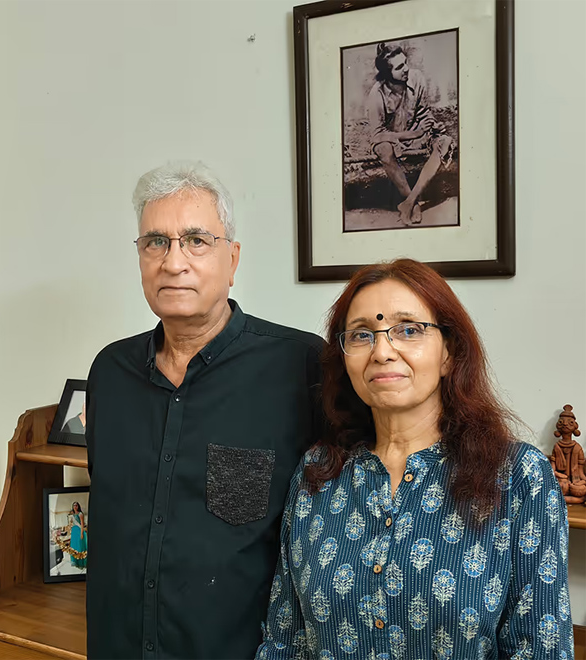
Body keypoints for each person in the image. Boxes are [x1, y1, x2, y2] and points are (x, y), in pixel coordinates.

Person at [257, 258, 574, 659]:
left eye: (409, 330)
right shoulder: (318, 472)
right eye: (361, 335)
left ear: (448, 353)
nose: (382, 351)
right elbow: (285, 640)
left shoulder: (518, 477)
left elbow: (541, 649)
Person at [86, 162, 325, 659]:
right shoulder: (109, 373)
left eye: (196, 240)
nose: (174, 261)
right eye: (155, 242)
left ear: (232, 260)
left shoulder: (300, 367)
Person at [366, 42, 454, 226]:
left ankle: (409, 202)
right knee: (383, 149)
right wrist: (413, 134)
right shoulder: (377, 95)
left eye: (405, 63)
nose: (406, 69)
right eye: (399, 67)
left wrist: (428, 124)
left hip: (419, 136)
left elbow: (422, 111)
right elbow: (377, 134)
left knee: (445, 142)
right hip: (396, 141)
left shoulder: (417, 78)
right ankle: (412, 202)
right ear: (387, 74)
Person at [68, 502, 87, 570]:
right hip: (74, 532)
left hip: (79, 531)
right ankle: (75, 562)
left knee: (79, 546)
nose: (75, 507)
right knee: (74, 546)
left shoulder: (80, 514)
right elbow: (71, 523)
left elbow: (82, 524)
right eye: (74, 505)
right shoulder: (72, 514)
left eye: (76, 505)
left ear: (78, 506)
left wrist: (82, 533)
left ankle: (80, 563)